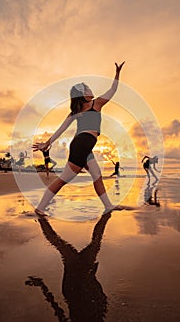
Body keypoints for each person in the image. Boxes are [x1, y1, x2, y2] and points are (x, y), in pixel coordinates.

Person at [32, 61, 125, 216]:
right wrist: (47, 143)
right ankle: (40, 208)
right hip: (81, 146)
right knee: (63, 179)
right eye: (87, 87)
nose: (90, 89)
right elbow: (61, 129)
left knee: (97, 175)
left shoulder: (97, 103)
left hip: (85, 147)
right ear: (82, 93)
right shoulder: (77, 111)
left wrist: (117, 74)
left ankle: (108, 206)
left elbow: (113, 89)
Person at [25, 211, 112, 322]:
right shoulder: (98, 318)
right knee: (93, 242)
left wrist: (42, 285)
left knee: (89, 243)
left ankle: (41, 218)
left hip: (75, 285)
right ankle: (107, 213)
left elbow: (57, 309)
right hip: (82, 280)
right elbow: (57, 309)